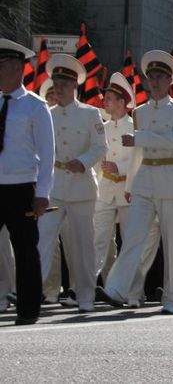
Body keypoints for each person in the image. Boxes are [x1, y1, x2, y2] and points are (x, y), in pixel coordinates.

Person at [96, 50, 173, 315]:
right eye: (151, 76)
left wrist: (141, 137)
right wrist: (129, 187)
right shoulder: (140, 111)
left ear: (170, 80)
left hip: (171, 178)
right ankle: (117, 288)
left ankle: (172, 297)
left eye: (160, 76)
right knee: (133, 238)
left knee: (172, 243)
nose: (155, 81)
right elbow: (138, 155)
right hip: (145, 180)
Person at [37, 53, 107, 313]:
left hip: (81, 187)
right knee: (43, 240)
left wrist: (83, 160)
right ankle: (33, 292)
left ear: (75, 85)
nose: (59, 87)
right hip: (54, 186)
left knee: (82, 244)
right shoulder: (46, 113)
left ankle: (85, 295)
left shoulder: (90, 114)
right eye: (56, 82)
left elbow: (101, 146)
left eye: (64, 83)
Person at [0, 39, 54, 325]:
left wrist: (43, 193)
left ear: (16, 69)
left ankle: (28, 309)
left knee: (25, 250)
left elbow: (47, 153)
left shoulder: (35, 106)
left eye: (1, 66)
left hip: (22, 187)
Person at [93, 73, 136, 284]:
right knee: (98, 240)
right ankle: (87, 286)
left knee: (129, 241)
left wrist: (119, 166)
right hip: (105, 189)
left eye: (109, 98)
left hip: (128, 190)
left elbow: (140, 160)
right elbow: (96, 160)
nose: (105, 102)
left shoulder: (135, 128)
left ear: (121, 102)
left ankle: (127, 287)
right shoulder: (103, 128)